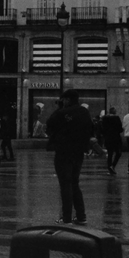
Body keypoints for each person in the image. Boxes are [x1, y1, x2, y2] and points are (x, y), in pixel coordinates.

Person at [46, 89, 94, 225]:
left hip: (63, 151)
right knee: (74, 183)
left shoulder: (62, 112)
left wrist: (59, 109)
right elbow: (90, 129)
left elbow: (50, 125)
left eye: (64, 99)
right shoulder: (84, 112)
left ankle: (66, 218)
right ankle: (80, 215)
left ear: (67, 100)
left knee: (65, 185)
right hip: (78, 152)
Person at [101, 107, 124, 175]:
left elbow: (103, 129)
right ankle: (113, 165)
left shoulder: (104, 119)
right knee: (118, 153)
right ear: (114, 112)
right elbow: (120, 129)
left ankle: (109, 167)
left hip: (108, 138)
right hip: (116, 138)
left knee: (110, 153)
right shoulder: (117, 118)